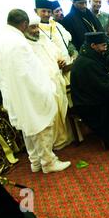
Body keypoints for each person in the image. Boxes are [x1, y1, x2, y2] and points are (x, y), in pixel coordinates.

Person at [0, 9, 71, 174]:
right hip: (28, 92)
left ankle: (35, 162)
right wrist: (45, 89)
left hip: (11, 92)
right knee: (42, 124)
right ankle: (48, 162)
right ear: (24, 24)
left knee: (28, 127)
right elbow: (28, 73)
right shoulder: (18, 42)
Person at [24, 14, 73, 150]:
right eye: (32, 28)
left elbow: (57, 54)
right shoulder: (24, 46)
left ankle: (65, 138)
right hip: (42, 87)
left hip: (57, 81)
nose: (35, 30)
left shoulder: (43, 39)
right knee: (51, 113)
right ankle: (54, 142)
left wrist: (61, 60)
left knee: (61, 110)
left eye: (36, 27)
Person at [34, 0, 78, 82]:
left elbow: (68, 43)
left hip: (68, 68)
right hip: (50, 74)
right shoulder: (34, 29)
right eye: (43, 11)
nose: (47, 14)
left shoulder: (57, 26)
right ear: (36, 11)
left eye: (49, 11)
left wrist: (75, 55)